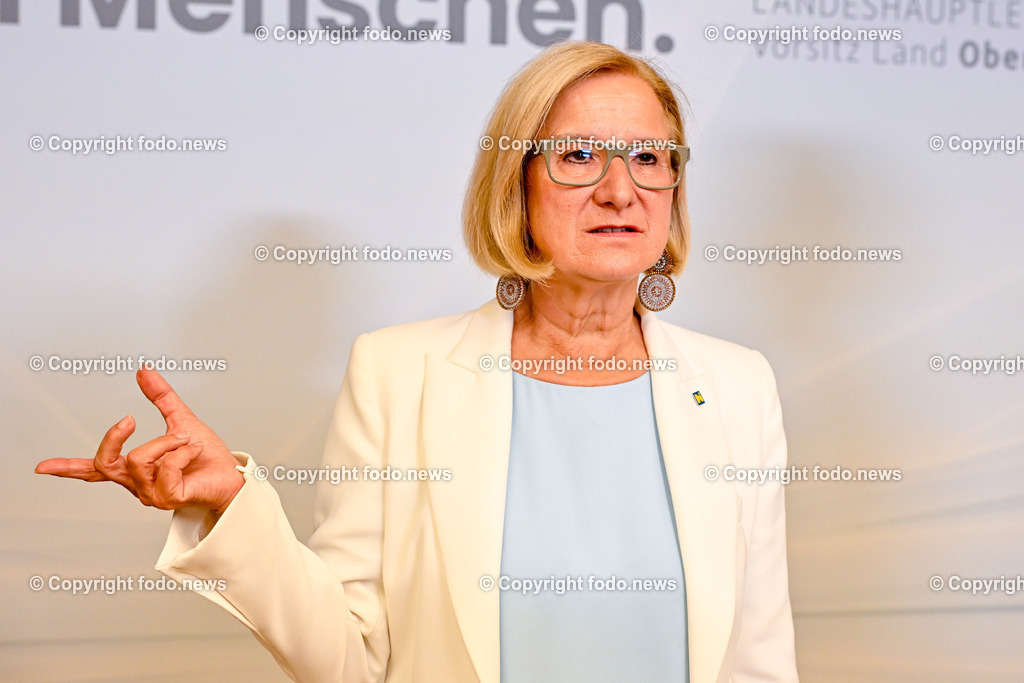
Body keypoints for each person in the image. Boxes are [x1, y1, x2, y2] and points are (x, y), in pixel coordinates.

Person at [36, 41, 798, 682]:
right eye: (576, 157)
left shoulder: (736, 387)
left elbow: (759, 658)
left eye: (648, 158)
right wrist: (234, 504)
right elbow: (348, 655)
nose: (618, 189)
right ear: (517, 184)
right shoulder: (397, 374)